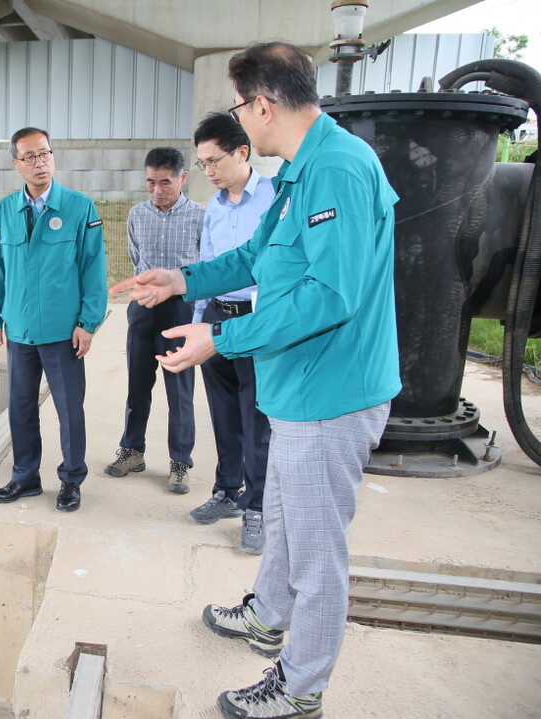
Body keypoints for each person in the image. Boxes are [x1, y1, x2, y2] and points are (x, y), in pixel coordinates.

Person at [111, 42, 400, 719]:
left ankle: (300, 686)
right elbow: (253, 256)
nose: (239, 116)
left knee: (316, 550)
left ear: (263, 106)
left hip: (331, 392)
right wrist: (181, 279)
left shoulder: (337, 169)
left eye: (241, 105)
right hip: (300, 387)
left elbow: (329, 296)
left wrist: (220, 338)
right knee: (285, 516)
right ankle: (268, 614)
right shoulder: (303, 171)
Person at [0, 127, 107, 513]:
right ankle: (25, 477)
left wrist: (88, 323)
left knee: (69, 410)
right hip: (19, 329)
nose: (40, 162)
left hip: (62, 331)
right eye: (30, 157)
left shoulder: (79, 207)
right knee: (21, 408)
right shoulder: (5, 210)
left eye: (45, 153)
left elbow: (93, 269)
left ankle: (71, 480)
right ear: (16, 164)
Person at [189, 112, 275, 555]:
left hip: (256, 322)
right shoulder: (215, 207)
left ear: (242, 153)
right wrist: (200, 320)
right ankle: (227, 490)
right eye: (202, 163)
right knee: (223, 413)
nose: (208, 171)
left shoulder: (276, 198)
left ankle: (256, 506)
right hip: (217, 318)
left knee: (256, 419)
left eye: (214, 161)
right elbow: (208, 264)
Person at [104, 147, 204, 495]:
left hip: (181, 311)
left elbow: (207, 267)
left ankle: (180, 462)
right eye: (150, 182)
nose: (157, 190)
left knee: (180, 391)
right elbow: (137, 258)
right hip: (143, 309)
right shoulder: (137, 215)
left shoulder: (200, 217)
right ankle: (132, 451)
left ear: (182, 178)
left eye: (165, 182)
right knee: (137, 386)